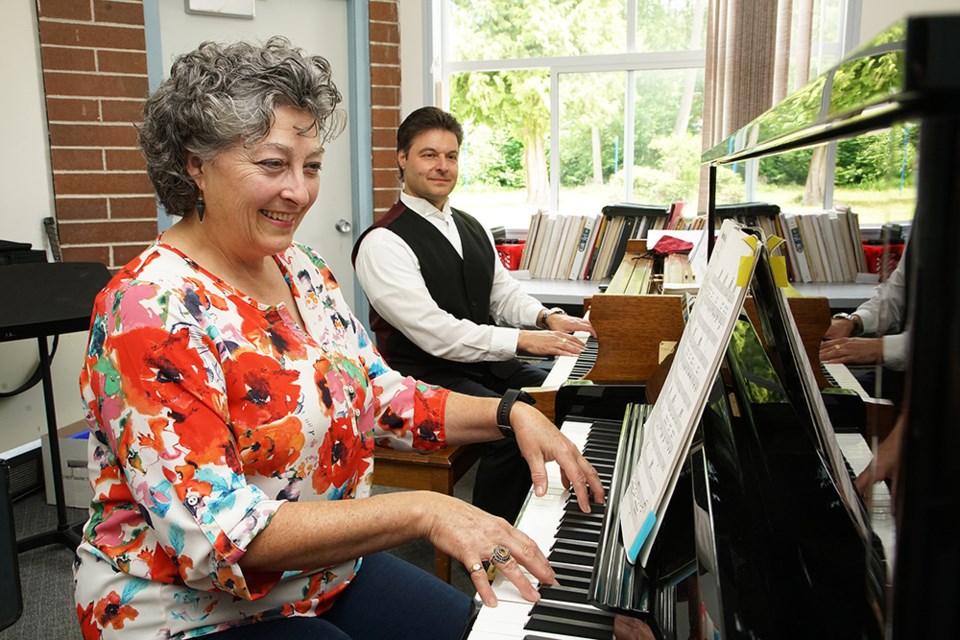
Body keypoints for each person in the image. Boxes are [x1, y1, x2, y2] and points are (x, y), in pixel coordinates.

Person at [74, 38, 605, 640]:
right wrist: (425, 510)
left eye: (313, 165)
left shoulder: (302, 268)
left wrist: (511, 414)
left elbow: (382, 396)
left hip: (318, 575)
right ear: (195, 163)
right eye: (272, 165)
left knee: (473, 629)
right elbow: (221, 536)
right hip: (184, 610)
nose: (299, 192)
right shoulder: (147, 310)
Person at [352, 106, 594, 523]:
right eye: (429, 155)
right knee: (513, 426)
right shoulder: (382, 242)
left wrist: (546, 318)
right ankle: (490, 539)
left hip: (481, 366)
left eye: (451, 155)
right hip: (424, 378)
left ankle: (550, 520)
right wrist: (520, 341)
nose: (442, 166)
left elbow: (502, 293)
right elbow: (435, 334)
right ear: (402, 159)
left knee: (567, 394)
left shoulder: (471, 225)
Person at [819, 244, 909, 405]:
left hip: (936, 385)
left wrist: (881, 348)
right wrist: (853, 322)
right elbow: (894, 297)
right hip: (899, 376)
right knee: (821, 400)